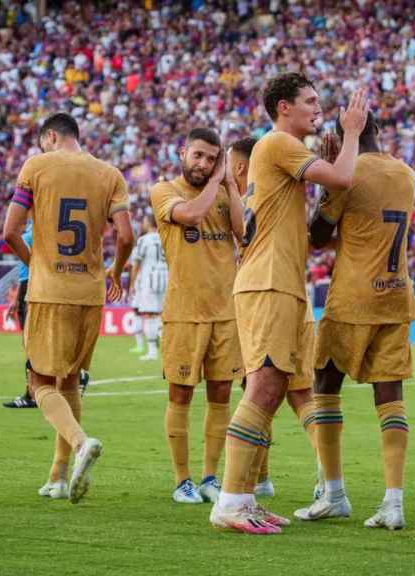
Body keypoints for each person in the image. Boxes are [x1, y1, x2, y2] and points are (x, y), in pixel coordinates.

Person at [208, 72, 369, 535]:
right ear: (283, 107)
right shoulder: (277, 143)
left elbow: (313, 220)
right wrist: (354, 133)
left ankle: (241, 499)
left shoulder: (279, 151)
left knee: (274, 389)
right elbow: (342, 177)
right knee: (263, 388)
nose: (319, 108)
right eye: (310, 101)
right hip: (268, 283)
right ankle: (231, 502)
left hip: (279, 281)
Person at [296, 110, 415, 531]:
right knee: (390, 395)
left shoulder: (345, 174)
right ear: (380, 132)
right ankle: (394, 502)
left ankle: (333, 493)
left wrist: (329, 178)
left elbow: (316, 234)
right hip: (397, 292)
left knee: (325, 384)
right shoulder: (404, 173)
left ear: (339, 138)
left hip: (354, 296)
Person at [2, 112, 134, 503]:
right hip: (89, 291)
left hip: (48, 288)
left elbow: (9, 231)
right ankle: (58, 477)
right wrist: (115, 273)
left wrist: (35, 263)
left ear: (50, 136)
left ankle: (80, 444)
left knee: (38, 382)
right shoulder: (109, 173)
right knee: (71, 380)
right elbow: (125, 236)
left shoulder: (36, 166)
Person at [149, 128, 244, 504]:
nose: (203, 164)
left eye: (211, 158)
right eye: (198, 156)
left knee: (221, 393)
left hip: (226, 310)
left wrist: (232, 186)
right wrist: (217, 182)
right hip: (184, 311)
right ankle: (181, 480)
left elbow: (242, 233)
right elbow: (191, 214)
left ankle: (209, 477)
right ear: (183, 152)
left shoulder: (222, 191)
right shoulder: (164, 190)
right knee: (182, 393)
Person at [229, 136, 324, 507]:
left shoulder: (250, 194)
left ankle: (241, 491)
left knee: (257, 387)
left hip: (263, 293)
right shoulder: (278, 193)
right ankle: (326, 477)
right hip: (290, 292)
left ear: (238, 166)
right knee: (297, 393)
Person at [3, 221, 91, 411]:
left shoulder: (43, 224)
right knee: (31, 343)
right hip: (30, 285)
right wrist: (16, 297)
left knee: (34, 343)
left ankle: (35, 392)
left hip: (39, 285)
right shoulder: (34, 224)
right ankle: (36, 390)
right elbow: (24, 270)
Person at [128, 216, 167, 361]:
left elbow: (136, 264)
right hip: (166, 277)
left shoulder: (144, 240)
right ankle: (166, 347)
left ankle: (152, 352)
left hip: (150, 279)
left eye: (144, 221)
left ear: (149, 223)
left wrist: (132, 284)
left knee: (150, 315)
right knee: (163, 315)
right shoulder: (165, 236)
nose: (143, 223)